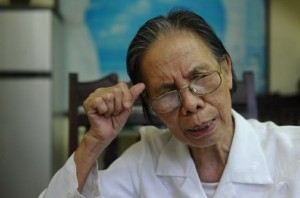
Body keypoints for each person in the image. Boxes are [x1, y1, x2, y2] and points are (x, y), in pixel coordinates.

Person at [39, 9, 300, 198]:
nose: (190, 103)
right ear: (150, 104)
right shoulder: (146, 158)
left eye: (201, 77)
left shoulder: (292, 154)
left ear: (227, 70)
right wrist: (94, 141)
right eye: (167, 93)